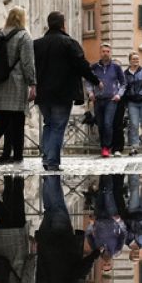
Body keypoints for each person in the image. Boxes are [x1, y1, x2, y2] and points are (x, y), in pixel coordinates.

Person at [33, 11, 98, 172]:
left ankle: (47, 158)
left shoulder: (36, 44)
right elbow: (82, 65)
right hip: (63, 93)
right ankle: (53, 161)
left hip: (43, 93)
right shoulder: (69, 43)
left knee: (48, 124)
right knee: (57, 126)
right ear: (63, 24)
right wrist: (96, 81)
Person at [35, 175, 98, 283]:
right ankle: (47, 178)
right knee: (50, 209)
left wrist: (95, 254)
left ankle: (51, 173)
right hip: (44, 239)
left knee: (58, 207)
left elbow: (82, 271)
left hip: (64, 240)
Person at [0, 7, 36, 170]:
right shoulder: (23, 36)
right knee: (18, 121)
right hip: (16, 84)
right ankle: (18, 160)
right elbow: (27, 63)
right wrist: (32, 83)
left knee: (2, 121)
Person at [88, 43, 125, 157]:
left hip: (111, 100)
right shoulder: (94, 67)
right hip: (98, 99)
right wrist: (90, 92)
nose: (105, 53)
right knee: (100, 124)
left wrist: (119, 94)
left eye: (107, 51)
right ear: (100, 52)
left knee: (108, 123)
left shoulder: (116, 67)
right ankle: (103, 146)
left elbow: (123, 83)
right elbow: (88, 81)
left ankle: (106, 147)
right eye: (103, 51)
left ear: (110, 53)